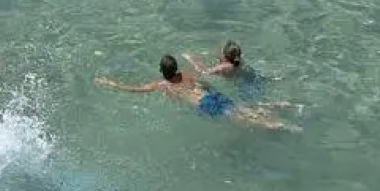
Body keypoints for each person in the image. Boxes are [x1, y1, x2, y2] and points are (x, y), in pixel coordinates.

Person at [96, 55, 290, 130]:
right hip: (210, 96)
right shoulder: (187, 75)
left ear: (163, 71)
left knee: (241, 118)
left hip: (204, 105)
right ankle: (280, 109)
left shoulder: (162, 85)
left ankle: (278, 126)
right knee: (240, 109)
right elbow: (204, 81)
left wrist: (110, 83)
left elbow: (134, 90)